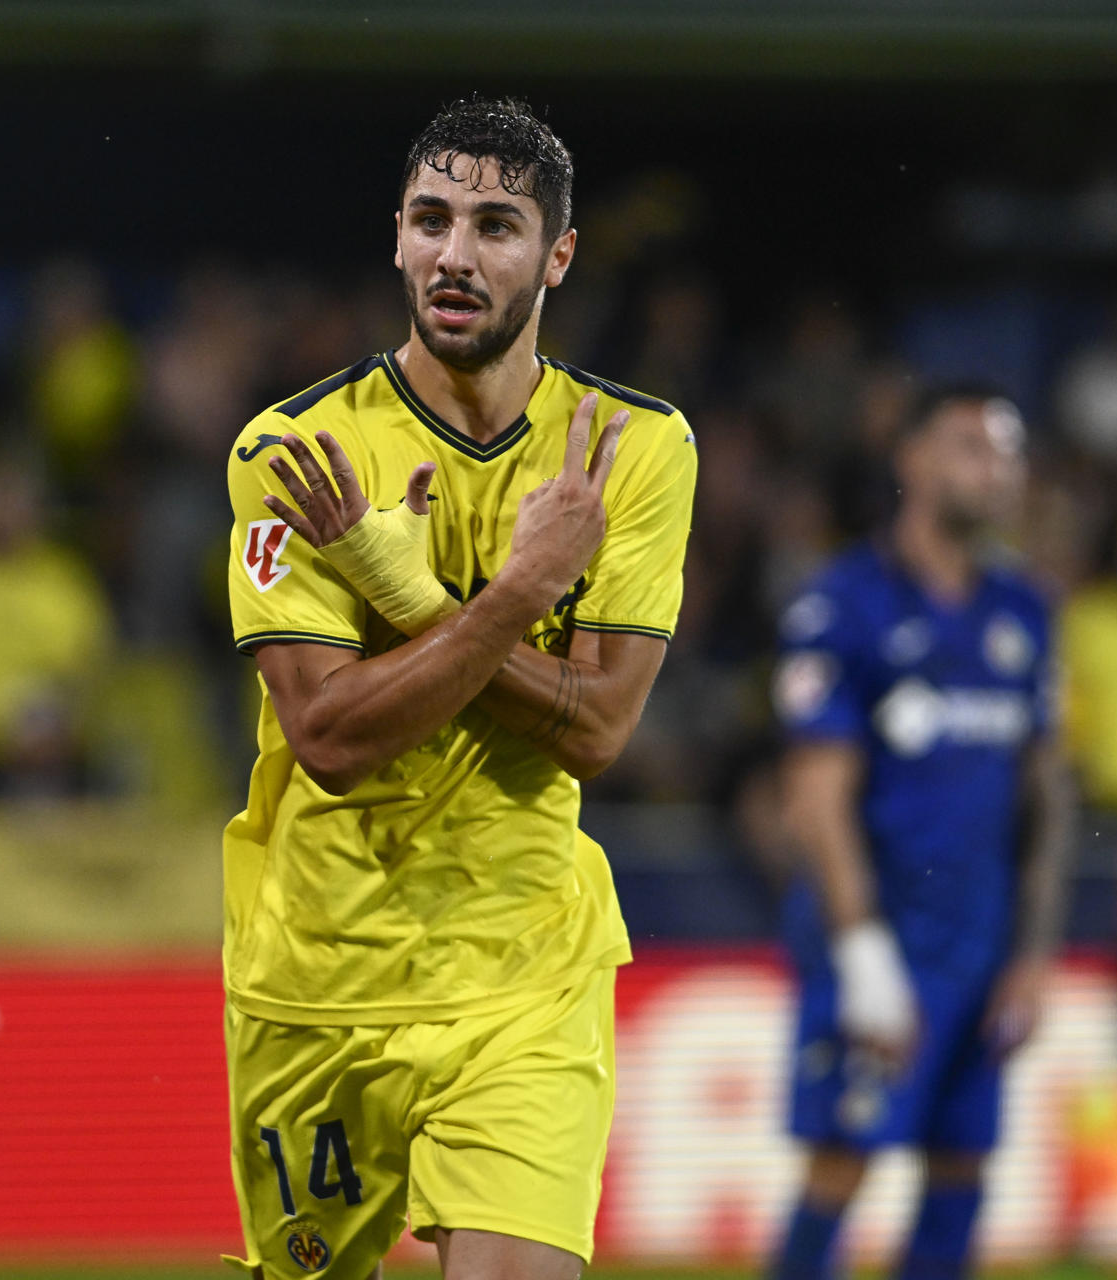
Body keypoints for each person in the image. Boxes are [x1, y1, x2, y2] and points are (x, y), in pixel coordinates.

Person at [220, 96, 697, 1280]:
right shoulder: (295, 448)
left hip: (525, 970)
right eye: (431, 220)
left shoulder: (633, 449)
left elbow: (598, 731)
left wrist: (408, 598)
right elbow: (329, 736)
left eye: (496, 226)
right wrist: (518, 590)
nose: (455, 254)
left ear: (559, 255)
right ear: (395, 237)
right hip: (323, 974)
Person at [767, 386, 1077, 1280]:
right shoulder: (844, 604)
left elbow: (1045, 799)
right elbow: (816, 794)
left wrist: (1033, 953)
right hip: (876, 943)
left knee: (961, 1171)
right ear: (913, 461)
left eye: (1009, 450)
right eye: (972, 444)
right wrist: (863, 954)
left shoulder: (1025, 613)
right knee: (842, 1161)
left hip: (982, 949)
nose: (997, 467)